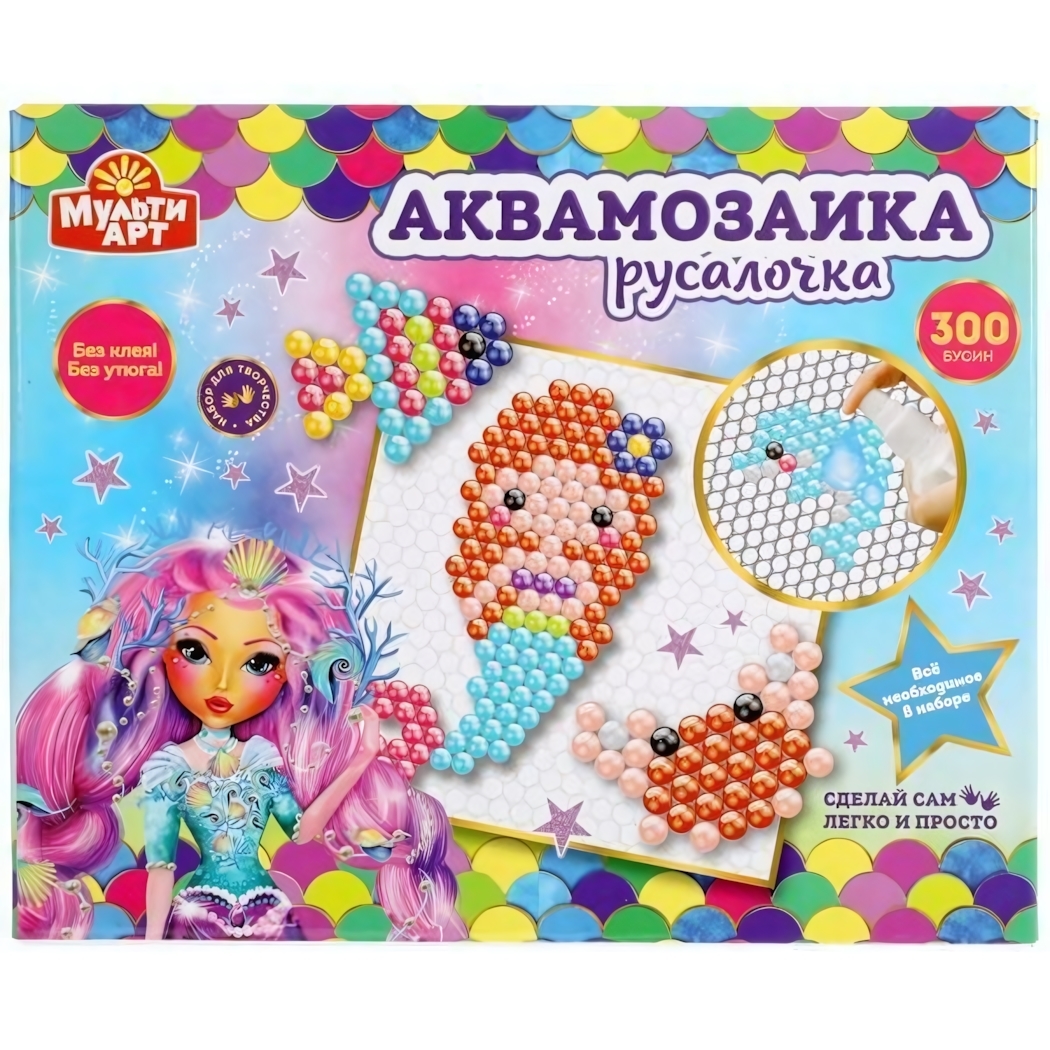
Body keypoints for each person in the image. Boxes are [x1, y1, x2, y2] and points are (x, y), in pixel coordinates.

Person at [15, 536, 465, 941]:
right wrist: (151, 944)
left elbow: (303, 833)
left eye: (259, 663)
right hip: (198, 919)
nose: (223, 684)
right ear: (161, 657)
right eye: (194, 651)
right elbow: (161, 866)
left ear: (290, 675)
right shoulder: (167, 769)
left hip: (270, 916)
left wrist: (362, 757)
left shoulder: (263, 759)